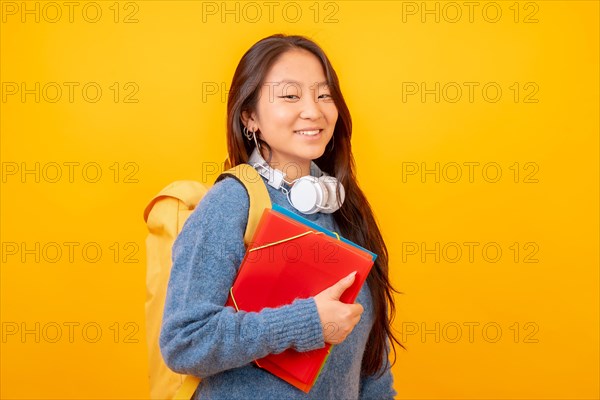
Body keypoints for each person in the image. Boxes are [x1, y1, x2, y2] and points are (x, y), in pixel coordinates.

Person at [160, 33, 401, 399]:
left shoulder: (346, 209)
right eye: (290, 95)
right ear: (250, 116)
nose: (314, 110)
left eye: (323, 94)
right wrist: (307, 322)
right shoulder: (231, 203)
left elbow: (372, 364)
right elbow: (184, 341)